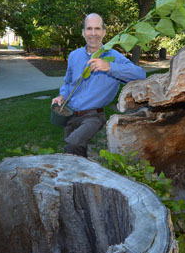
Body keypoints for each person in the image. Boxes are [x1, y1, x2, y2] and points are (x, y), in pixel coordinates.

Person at [52, 13, 146, 157]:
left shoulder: (113, 56)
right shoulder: (74, 56)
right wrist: (62, 96)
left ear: (104, 32)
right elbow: (68, 83)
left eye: (97, 29)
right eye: (89, 29)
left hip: (93, 116)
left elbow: (140, 74)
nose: (93, 33)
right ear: (83, 33)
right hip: (70, 114)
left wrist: (109, 66)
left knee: (73, 143)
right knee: (75, 154)